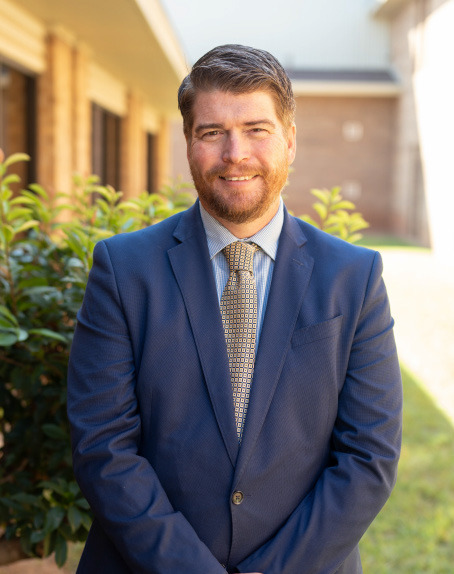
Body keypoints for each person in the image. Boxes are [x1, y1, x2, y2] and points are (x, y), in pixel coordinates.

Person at [67, 44, 402, 574]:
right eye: (211, 132)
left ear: (290, 141)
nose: (235, 153)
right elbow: (103, 447)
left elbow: (369, 456)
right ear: (188, 143)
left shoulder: (354, 277)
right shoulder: (122, 269)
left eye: (256, 129)